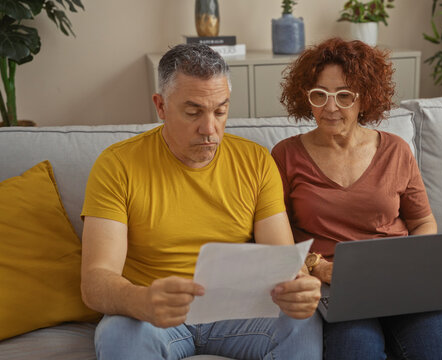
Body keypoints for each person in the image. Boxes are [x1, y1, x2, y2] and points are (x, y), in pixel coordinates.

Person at [80, 43, 322, 360]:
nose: (210, 129)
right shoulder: (117, 165)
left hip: (239, 312)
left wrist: (300, 286)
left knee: (303, 323)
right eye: (193, 112)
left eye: (220, 111)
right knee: (117, 333)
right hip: (155, 318)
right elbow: (95, 280)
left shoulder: (256, 161)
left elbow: (282, 260)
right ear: (161, 106)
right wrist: (140, 301)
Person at [271, 37, 442, 359]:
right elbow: (274, 235)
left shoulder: (396, 150)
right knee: (356, 350)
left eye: (344, 95)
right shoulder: (286, 155)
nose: (330, 107)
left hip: (400, 279)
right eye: (320, 94)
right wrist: (315, 265)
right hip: (335, 285)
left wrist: (419, 262)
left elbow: (423, 221)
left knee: (438, 346)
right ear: (306, 97)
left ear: (365, 99)